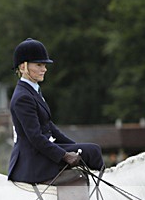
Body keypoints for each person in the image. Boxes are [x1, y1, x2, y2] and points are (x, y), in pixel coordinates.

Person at [7, 38, 105, 184]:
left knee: (91, 150)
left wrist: (74, 146)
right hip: (32, 160)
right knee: (93, 151)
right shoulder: (23, 97)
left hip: (40, 151)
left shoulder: (33, 91)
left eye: (44, 65)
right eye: (39, 65)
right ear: (23, 67)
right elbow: (35, 138)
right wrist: (64, 155)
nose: (44, 69)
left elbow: (49, 127)